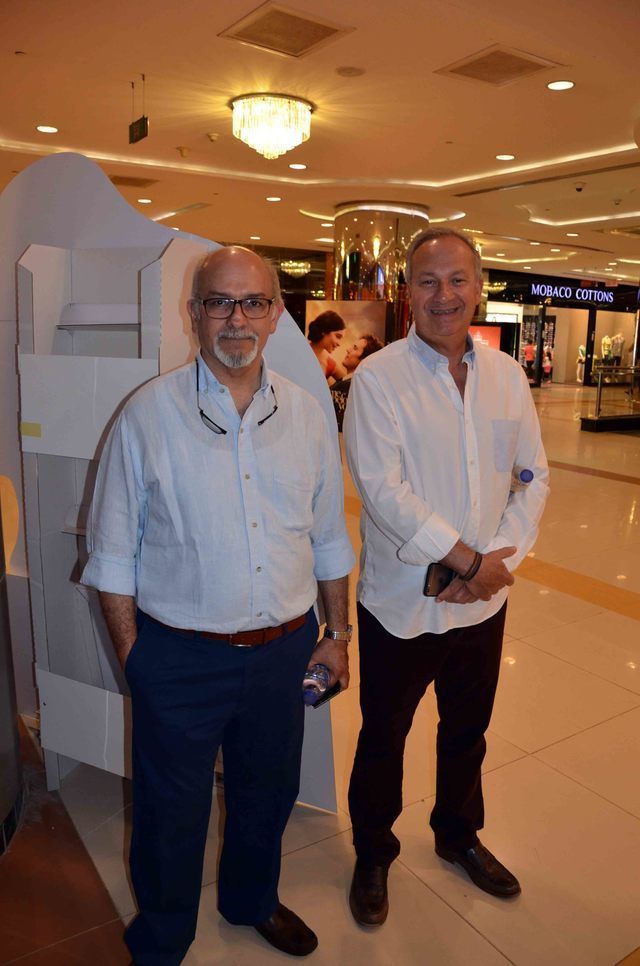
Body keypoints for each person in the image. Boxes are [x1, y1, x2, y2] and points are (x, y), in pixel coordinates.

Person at [81, 246, 354, 963]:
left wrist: (338, 634)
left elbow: (328, 536)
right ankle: (163, 934)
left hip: (284, 652)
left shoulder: (307, 416)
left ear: (277, 313)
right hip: (178, 657)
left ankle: (251, 901)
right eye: (219, 303)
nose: (237, 319)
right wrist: (137, 662)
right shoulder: (147, 416)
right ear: (194, 313)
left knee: (267, 795)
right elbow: (112, 556)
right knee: (170, 812)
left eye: (254, 302)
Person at [343, 228, 549, 926]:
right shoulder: (379, 378)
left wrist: (496, 565)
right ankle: (374, 852)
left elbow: (531, 477)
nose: (444, 295)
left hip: (482, 604)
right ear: (408, 293)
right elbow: (383, 490)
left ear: (479, 287)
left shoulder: (507, 376)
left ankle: (458, 835)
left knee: (468, 729)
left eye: (458, 279)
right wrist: (467, 561)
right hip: (402, 604)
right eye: (428, 281)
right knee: (384, 735)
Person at [330, 334, 383, 430]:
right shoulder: (347, 382)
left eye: (355, 348)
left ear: (365, 359)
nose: (348, 350)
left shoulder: (352, 386)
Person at [308, 310, 347, 381]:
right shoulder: (297, 351)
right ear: (324, 331)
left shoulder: (330, 364)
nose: (339, 343)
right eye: (338, 336)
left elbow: (348, 383)